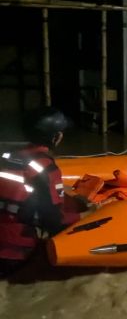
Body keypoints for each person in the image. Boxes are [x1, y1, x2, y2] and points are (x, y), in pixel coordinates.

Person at [0, 107, 78, 275]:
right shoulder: (46, 168)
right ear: (55, 137)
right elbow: (53, 220)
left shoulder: (8, 158)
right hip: (15, 252)